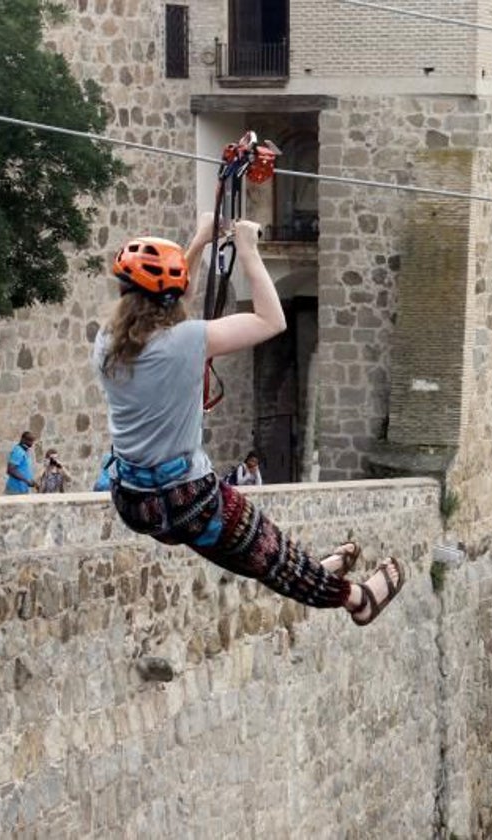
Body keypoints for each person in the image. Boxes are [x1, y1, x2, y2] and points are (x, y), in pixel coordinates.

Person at [94, 216, 403, 623]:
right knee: (264, 549)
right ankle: (357, 599)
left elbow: (168, 304)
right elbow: (271, 320)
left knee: (247, 552)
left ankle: (315, 571)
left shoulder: (106, 342)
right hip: (187, 499)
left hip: (134, 501)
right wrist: (249, 251)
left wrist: (200, 239)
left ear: (122, 291)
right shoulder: (186, 341)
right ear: (171, 297)